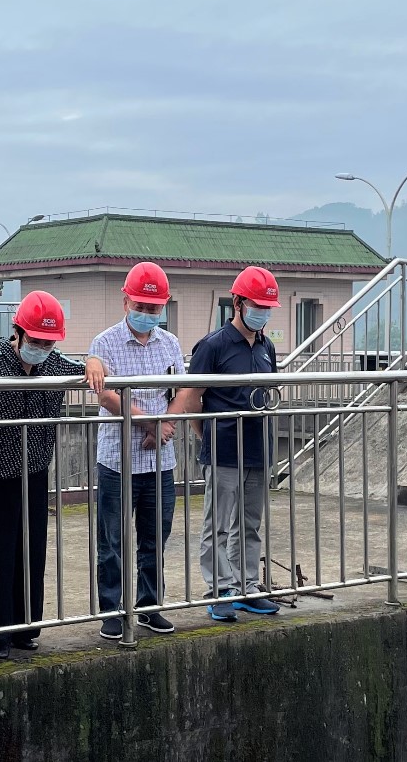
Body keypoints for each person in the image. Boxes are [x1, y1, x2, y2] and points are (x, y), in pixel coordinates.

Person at [0, 291, 105, 659]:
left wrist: (94, 360)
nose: (41, 348)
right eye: (35, 340)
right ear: (18, 332)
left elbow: (85, 368)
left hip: (35, 471)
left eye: (48, 342)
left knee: (30, 551)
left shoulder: (56, 364)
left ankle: (25, 628)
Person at [89, 262, 190, 639]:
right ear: (126, 302)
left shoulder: (170, 343)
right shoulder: (105, 342)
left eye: (153, 308)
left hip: (160, 459)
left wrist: (166, 424)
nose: (147, 313)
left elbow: (183, 390)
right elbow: (105, 395)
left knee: (155, 537)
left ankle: (149, 606)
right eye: (141, 306)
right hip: (118, 459)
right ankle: (112, 610)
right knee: (111, 541)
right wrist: (151, 423)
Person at [177, 266, 281, 622]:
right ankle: (219, 589)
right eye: (257, 306)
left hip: (258, 449)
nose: (262, 313)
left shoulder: (266, 346)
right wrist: (205, 436)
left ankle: (246, 587)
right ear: (237, 303)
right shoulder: (213, 345)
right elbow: (192, 398)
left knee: (249, 524)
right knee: (218, 525)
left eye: (267, 308)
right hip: (223, 449)